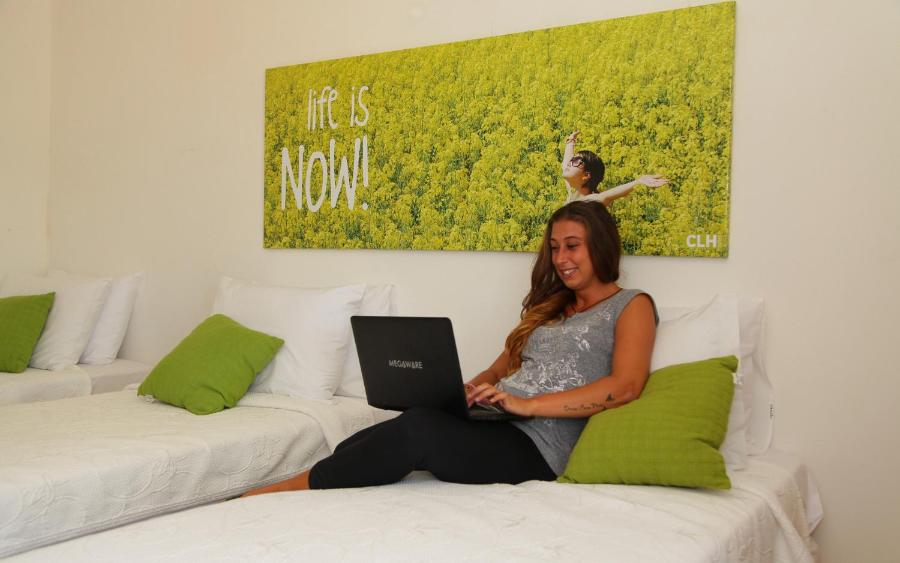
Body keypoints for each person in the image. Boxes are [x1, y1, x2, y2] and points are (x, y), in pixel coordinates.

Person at [243, 201, 657, 495]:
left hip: (539, 448)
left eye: (572, 245)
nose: (561, 257)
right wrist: (467, 392)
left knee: (418, 431)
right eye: (554, 247)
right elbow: (497, 371)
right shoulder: (550, 308)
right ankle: (312, 482)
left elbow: (625, 387)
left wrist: (528, 405)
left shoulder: (630, 305)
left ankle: (281, 492)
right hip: (497, 421)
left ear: (600, 245)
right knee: (399, 423)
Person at [562, 130, 669, 205]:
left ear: (586, 175)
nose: (570, 163)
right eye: (571, 160)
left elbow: (607, 196)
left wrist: (638, 182)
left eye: (575, 160)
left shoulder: (589, 202)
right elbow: (565, 164)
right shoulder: (573, 193)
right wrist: (570, 142)